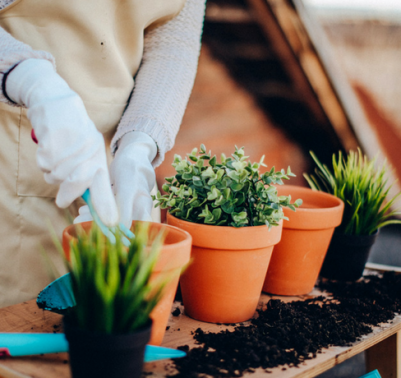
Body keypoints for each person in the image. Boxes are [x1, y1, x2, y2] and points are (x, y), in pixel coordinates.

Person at [0, 0, 206, 307]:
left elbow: (173, 41)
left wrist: (140, 145)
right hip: (13, 145)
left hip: (116, 149)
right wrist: (31, 80)